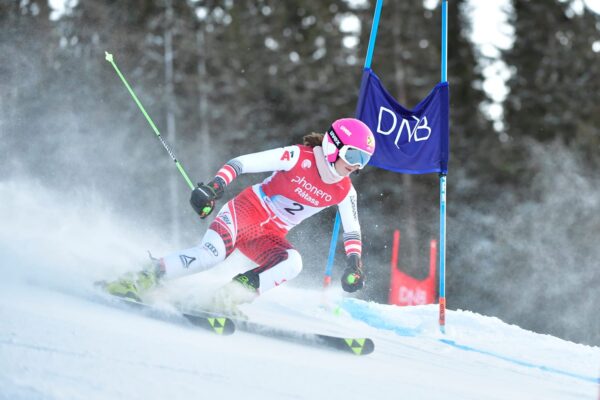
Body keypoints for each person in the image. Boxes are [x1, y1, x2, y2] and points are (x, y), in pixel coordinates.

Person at [104, 117, 376, 313]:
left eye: (364, 159)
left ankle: (228, 296)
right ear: (333, 146)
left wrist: (354, 263)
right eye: (353, 155)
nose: (356, 165)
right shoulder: (297, 157)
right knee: (210, 255)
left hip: (267, 236)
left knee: (293, 262)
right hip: (243, 214)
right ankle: (142, 276)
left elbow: (352, 230)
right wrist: (214, 188)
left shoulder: (344, 190)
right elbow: (242, 163)